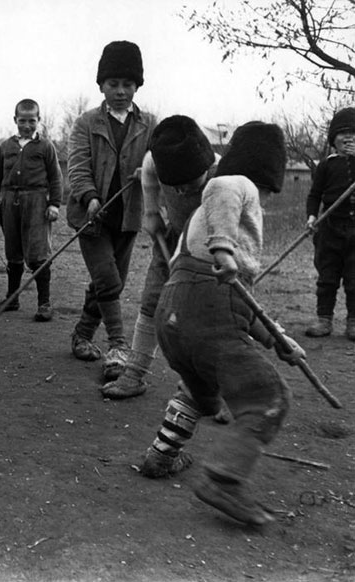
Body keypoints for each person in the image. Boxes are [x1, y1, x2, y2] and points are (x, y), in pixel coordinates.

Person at [138, 121, 305, 526]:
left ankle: (162, 452)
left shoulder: (198, 218)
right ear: (263, 173)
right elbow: (223, 190)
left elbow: (242, 309)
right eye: (268, 191)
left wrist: (278, 339)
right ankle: (224, 481)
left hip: (175, 312)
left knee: (201, 388)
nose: (262, 201)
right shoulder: (235, 184)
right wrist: (225, 248)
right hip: (208, 308)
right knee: (268, 399)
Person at [100, 115, 219, 399]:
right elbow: (149, 171)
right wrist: (152, 212)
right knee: (153, 300)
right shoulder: (157, 159)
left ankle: (215, 387)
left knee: (211, 314)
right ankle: (134, 374)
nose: (179, 191)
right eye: (173, 184)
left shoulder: (223, 176)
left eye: (188, 183)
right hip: (172, 237)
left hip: (212, 248)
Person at [65, 40, 157, 380]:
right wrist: (88, 196)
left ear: (137, 86)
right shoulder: (85, 123)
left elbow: (159, 162)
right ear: (101, 85)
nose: (120, 91)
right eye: (113, 84)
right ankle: (119, 346)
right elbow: (77, 166)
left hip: (129, 216)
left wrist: (148, 170)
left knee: (109, 282)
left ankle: (82, 334)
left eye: (127, 85)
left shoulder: (149, 123)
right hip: (91, 216)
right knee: (107, 278)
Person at [0, 98, 63, 322]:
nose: (26, 125)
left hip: (37, 202)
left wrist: (54, 204)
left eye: (31, 121)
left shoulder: (46, 147)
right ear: (15, 120)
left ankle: (44, 303)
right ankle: (12, 298)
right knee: (13, 251)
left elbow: (56, 178)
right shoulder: (5, 147)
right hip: (10, 202)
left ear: (38, 120)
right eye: (22, 121)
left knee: (38, 253)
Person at [304, 107, 355, 340]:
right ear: (333, 138)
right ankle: (324, 319)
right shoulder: (326, 164)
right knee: (327, 277)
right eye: (343, 133)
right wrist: (312, 217)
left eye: (354, 133)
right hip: (330, 229)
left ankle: (353, 322)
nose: (348, 137)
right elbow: (314, 195)